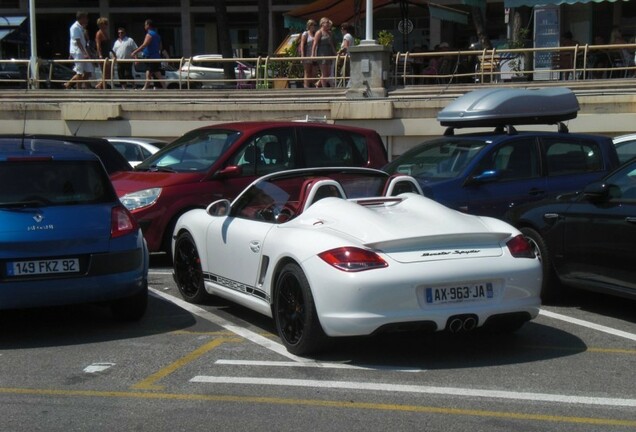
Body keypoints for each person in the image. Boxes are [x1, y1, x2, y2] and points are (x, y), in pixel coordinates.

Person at [131, 19, 166, 90]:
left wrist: (135, 52)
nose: (144, 26)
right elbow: (160, 47)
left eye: (145, 24)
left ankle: (164, 88)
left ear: (148, 25)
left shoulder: (149, 34)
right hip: (154, 57)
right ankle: (146, 88)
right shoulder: (157, 35)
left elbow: (144, 45)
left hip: (151, 57)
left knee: (155, 73)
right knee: (151, 73)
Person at [64, 11, 94, 89]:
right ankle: (78, 89)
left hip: (83, 51)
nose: (87, 20)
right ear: (81, 18)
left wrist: (88, 53)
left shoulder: (81, 27)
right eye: (85, 18)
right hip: (78, 52)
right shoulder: (75, 27)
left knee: (88, 71)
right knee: (79, 72)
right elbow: (77, 41)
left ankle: (69, 84)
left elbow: (84, 42)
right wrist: (84, 53)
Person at [311, 17, 336, 88]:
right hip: (322, 53)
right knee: (324, 73)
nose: (328, 24)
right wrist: (313, 54)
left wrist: (335, 52)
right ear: (322, 24)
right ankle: (324, 88)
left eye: (328, 22)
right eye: (327, 22)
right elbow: (315, 44)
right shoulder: (319, 32)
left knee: (328, 73)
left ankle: (318, 84)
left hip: (328, 53)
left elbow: (331, 44)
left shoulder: (329, 33)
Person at [95, 17, 113, 89]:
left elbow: (108, 46)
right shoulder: (99, 33)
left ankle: (102, 85)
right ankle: (100, 85)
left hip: (107, 54)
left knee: (109, 73)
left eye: (106, 24)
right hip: (102, 54)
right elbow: (98, 45)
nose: (105, 26)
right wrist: (100, 55)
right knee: (105, 72)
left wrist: (113, 53)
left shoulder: (106, 33)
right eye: (102, 24)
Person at [299, 19, 317, 88]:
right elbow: (302, 44)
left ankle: (312, 85)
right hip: (307, 54)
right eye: (313, 25)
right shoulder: (305, 33)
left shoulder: (315, 34)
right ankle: (306, 87)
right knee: (307, 72)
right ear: (309, 26)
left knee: (314, 72)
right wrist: (302, 56)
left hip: (314, 55)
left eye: (315, 25)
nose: (314, 26)